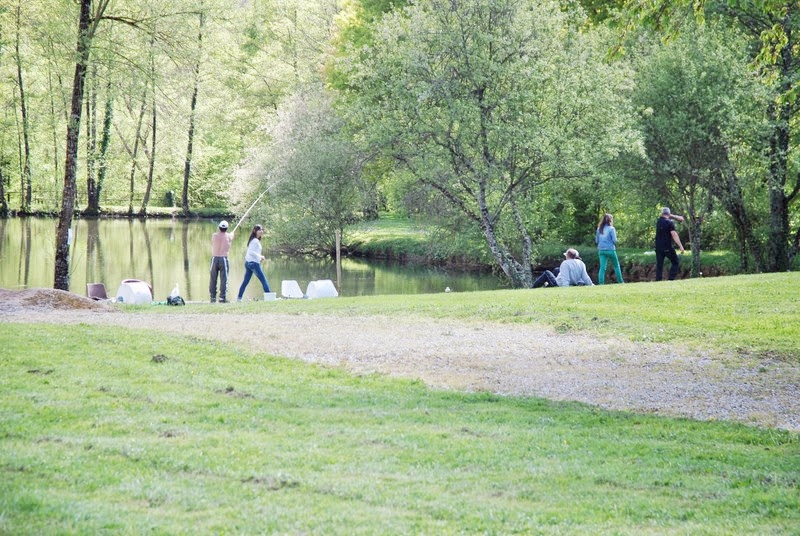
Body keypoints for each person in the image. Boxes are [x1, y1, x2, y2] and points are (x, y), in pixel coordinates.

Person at [237, 224, 271, 301]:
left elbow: (251, 252)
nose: (261, 231)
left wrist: (258, 257)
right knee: (263, 280)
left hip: (249, 263)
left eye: (262, 230)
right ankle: (269, 297)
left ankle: (239, 298)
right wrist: (260, 257)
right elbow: (251, 252)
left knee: (245, 282)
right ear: (255, 231)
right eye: (259, 230)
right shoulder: (255, 241)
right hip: (253, 264)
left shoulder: (254, 240)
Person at [655, 207, 685, 281]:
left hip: (658, 248)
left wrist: (673, 216)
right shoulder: (669, 223)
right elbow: (674, 235)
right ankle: (670, 279)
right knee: (675, 262)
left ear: (662, 214)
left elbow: (666, 215)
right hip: (667, 247)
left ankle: (658, 280)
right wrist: (681, 246)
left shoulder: (659, 221)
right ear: (669, 214)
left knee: (659, 265)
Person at [595, 213, 624, 284]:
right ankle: (620, 282)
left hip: (601, 250)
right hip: (610, 250)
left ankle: (601, 284)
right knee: (616, 266)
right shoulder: (612, 228)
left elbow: (596, 241)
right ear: (610, 220)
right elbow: (614, 240)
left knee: (602, 268)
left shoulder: (599, 229)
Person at [209, 220, 234, 303]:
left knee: (213, 278)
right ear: (227, 228)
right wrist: (231, 234)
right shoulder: (229, 236)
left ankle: (213, 297)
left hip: (214, 258)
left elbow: (213, 242)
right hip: (223, 259)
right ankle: (222, 298)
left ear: (219, 227)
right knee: (224, 279)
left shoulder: (214, 236)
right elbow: (230, 238)